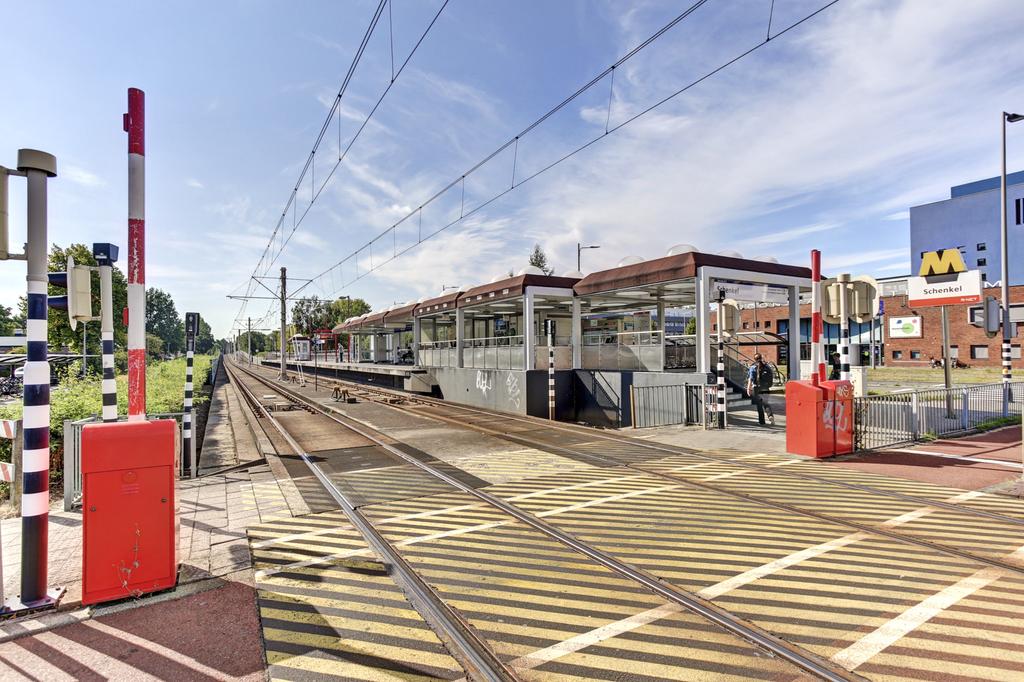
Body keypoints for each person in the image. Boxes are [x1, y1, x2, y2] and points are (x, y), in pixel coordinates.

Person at [746, 353, 775, 426]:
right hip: (766, 387)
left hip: (756, 388)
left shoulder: (752, 367)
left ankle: (762, 422)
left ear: (754, 359)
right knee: (766, 403)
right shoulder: (767, 366)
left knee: (759, 405)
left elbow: (750, 379)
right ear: (761, 358)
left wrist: (748, 388)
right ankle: (770, 416)